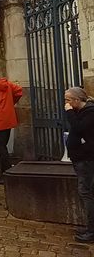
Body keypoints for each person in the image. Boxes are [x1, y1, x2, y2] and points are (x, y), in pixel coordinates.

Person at [64, 87, 94, 243]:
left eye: (68, 100)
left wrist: (69, 112)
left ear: (77, 100)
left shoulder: (90, 113)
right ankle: (90, 226)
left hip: (86, 159)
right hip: (80, 158)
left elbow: (79, 129)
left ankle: (92, 230)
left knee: (86, 192)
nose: (66, 103)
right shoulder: (80, 112)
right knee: (86, 192)